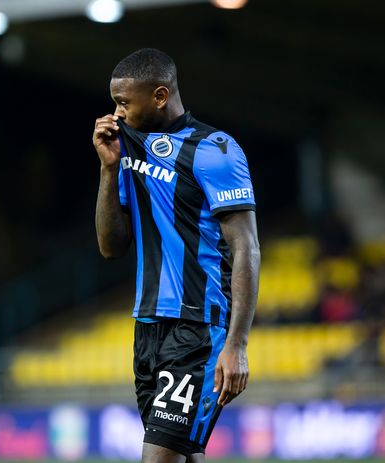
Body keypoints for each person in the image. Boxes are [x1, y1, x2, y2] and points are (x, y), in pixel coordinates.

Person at [92, 48, 260, 463]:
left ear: (160, 96)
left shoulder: (214, 150)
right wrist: (109, 169)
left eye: (124, 102)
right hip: (147, 328)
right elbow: (110, 247)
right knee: (183, 455)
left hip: (197, 328)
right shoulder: (128, 148)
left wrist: (237, 344)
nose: (117, 112)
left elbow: (246, 247)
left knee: (159, 458)